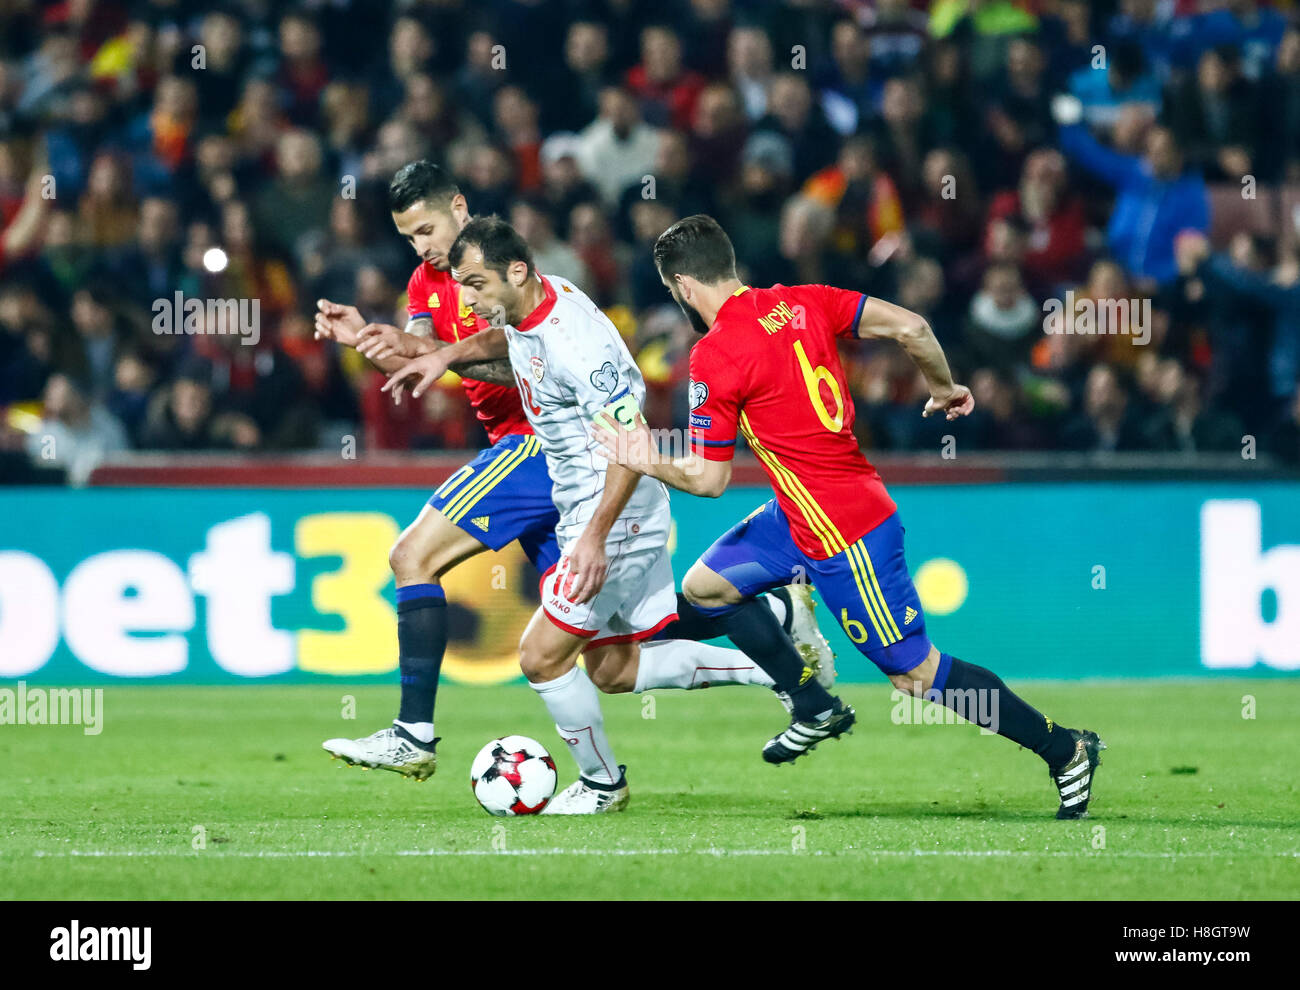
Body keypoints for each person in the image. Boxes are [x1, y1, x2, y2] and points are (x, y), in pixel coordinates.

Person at [316, 165, 830, 785]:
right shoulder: (430, 282)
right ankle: (777, 641)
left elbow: (530, 359)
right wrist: (369, 340)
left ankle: (414, 734)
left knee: (411, 558)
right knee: (611, 664)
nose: (421, 246)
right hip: (556, 470)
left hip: (534, 444)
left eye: (426, 228)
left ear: (458, 207)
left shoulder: (507, 275)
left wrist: (449, 357)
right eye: (408, 237)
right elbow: (420, 349)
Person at [596, 215, 1105, 818]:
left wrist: (644, 456)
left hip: (845, 532)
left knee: (916, 676)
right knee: (706, 591)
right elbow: (913, 327)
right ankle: (810, 699)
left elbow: (708, 481)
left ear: (681, 285)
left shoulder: (714, 355)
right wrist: (943, 388)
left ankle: (1064, 748)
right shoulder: (805, 301)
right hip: (799, 510)